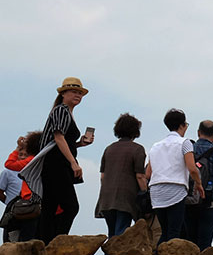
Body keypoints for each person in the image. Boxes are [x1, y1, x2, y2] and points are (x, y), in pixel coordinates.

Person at [22, 77, 94, 243]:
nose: (78, 95)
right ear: (63, 94)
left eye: (80, 93)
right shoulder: (61, 110)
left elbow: (59, 142)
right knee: (70, 206)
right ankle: (57, 242)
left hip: (54, 163)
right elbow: (58, 137)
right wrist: (73, 163)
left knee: (50, 207)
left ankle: (44, 243)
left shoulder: (65, 112)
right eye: (74, 92)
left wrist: (79, 144)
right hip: (56, 165)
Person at [146, 109, 203, 245]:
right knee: (174, 230)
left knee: (165, 230)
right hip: (175, 189)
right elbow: (192, 168)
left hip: (156, 191)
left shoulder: (155, 146)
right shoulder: (185, 143)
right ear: (183, 125)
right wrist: (199, 184)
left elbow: (148, 173)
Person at [94, 113, 147, 237]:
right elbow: (140, 176)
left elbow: (103, 176)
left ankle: (108, 254)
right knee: (121, 232)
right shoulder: (137, 149)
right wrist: (145, 193)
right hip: (125, 197)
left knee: (112, 232)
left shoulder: (109, 148)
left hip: (106, 197)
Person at [183, 120, 213, 251]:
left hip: (188, 201)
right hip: (210, 202)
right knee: (204, 245)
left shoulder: (188, 150)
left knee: (189, 242)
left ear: (198, 132)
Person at [2, 132, 42, 243]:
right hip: (38, 203)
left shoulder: (31, 162)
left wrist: (18, 148)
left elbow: (9, 163)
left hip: (27, 203)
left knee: (22, 238)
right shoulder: (41, 160)